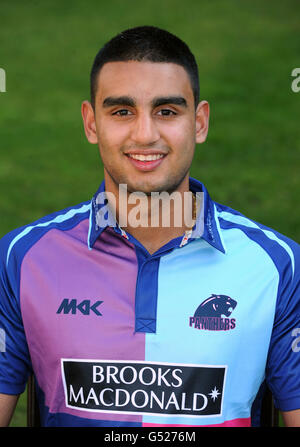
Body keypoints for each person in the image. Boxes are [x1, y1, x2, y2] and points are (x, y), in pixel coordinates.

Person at [0, 26, 299, 428]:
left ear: (200, 122)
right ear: (91, 123)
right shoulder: (20, 258)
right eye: (122, 111)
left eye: (167, 111)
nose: (145, 134)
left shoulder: (279, 267)